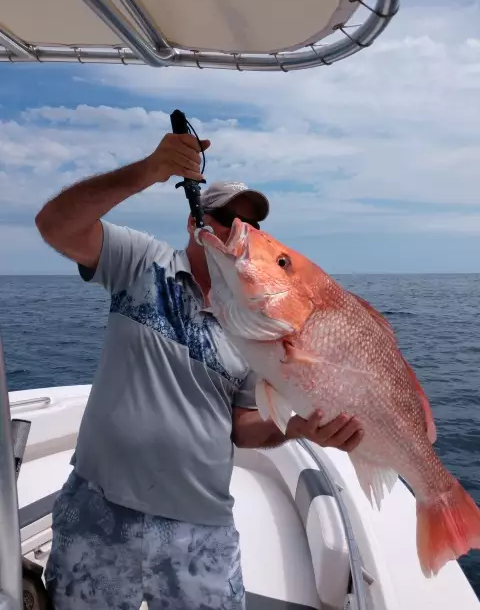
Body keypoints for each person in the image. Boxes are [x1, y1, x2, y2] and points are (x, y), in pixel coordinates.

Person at [35, 131, 364, 610]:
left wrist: (297, 427)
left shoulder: (256, 325)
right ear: (195, 222)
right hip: (99, 511)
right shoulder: (142, 263)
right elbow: (55, 225)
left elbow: (243, 426)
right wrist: (147, 170)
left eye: (251, 226)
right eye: (228, 219)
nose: (240, 232)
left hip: (200, 527)